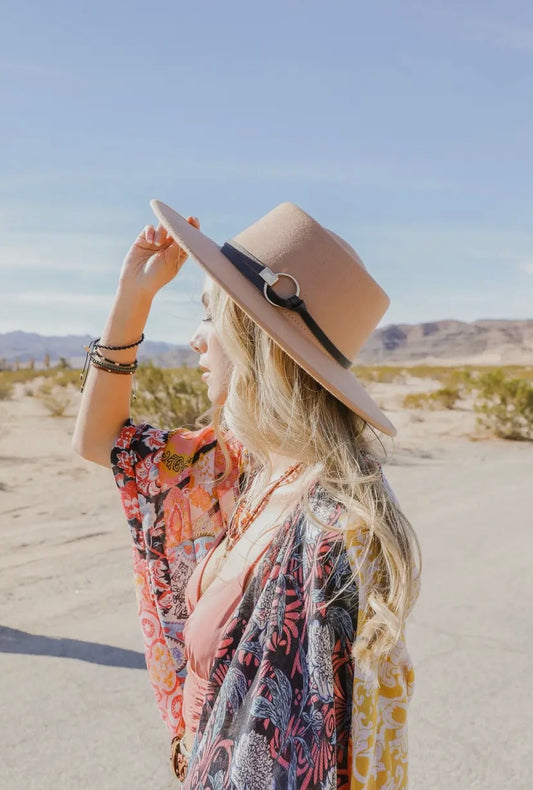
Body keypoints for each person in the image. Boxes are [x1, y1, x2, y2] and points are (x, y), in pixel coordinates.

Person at [73, 199, 421, 789]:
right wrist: (133, 298)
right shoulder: (249, 467)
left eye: (211, 317)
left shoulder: (332, 532)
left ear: (257, 342)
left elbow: (309, 758)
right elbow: (104, 441)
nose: (194, 340)